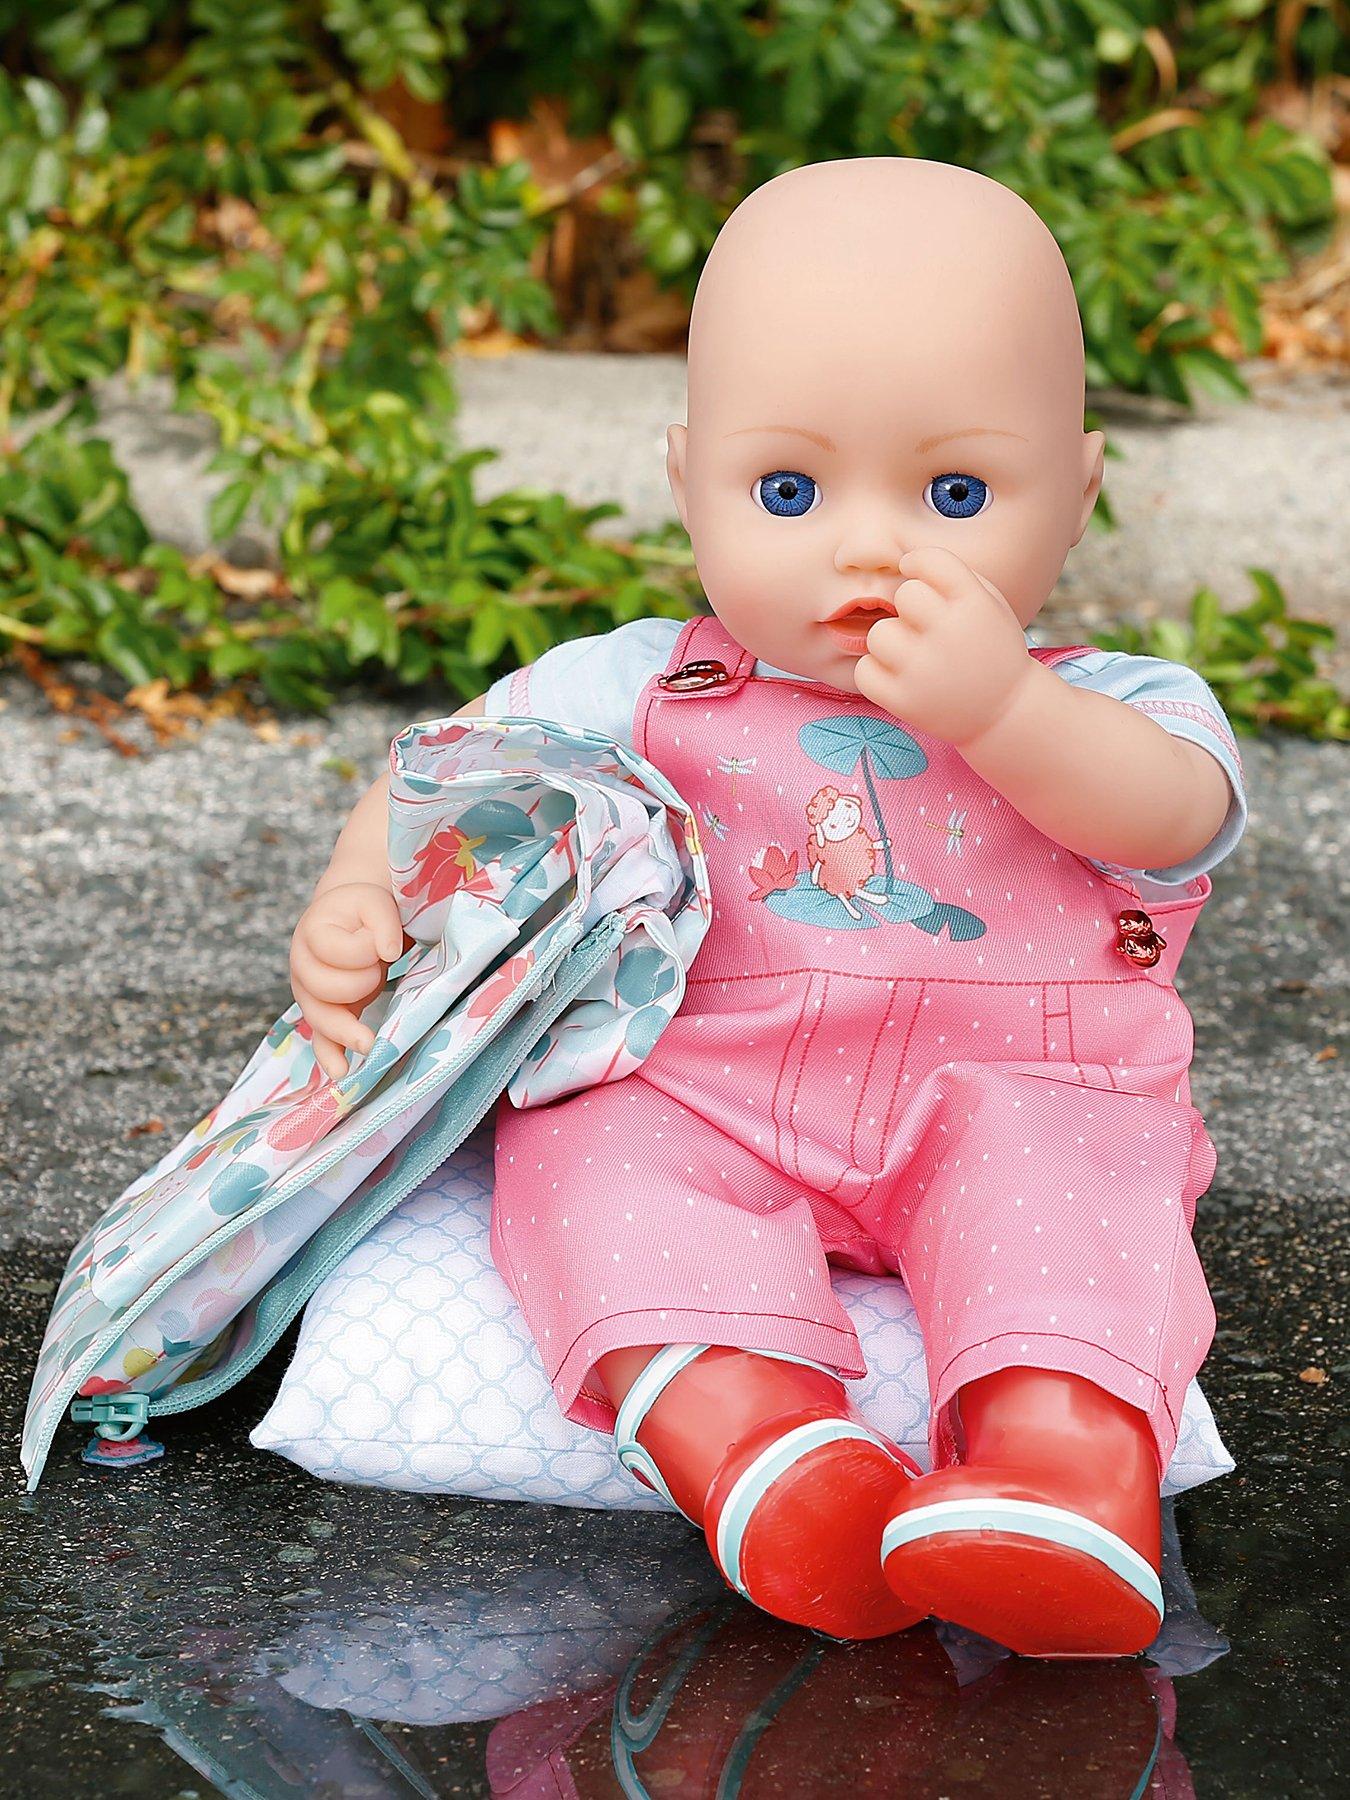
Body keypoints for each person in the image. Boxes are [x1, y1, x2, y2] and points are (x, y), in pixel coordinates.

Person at [288, 158, 1246, 1654]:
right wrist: (363, 898)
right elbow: (451, 781)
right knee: (588, 1146)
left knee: (1065, 1209)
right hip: (706, 1075)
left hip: (1013, 1081)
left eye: (954, 492)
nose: (869, 549)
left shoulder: (1110, 701)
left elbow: (1173, 819)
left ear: (1077, 490)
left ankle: (1060, 1466)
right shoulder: (626, 683)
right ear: (688, 483)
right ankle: (753, 1440)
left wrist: (1001, 707)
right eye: (787, 491)